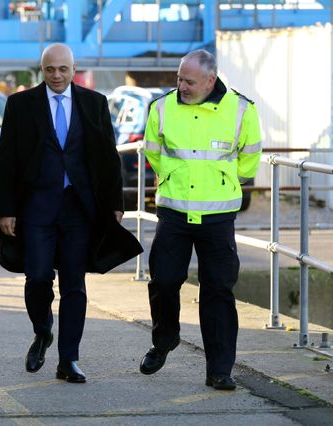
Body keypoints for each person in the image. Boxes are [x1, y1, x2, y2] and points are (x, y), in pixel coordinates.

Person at [0, 43, 125, 383]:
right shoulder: (20, 105)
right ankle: (42, 330)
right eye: (50, 70)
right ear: (42, 70)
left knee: (75, 286)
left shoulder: (94, 103)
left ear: (73, 69)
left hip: (79, 209)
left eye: (63, 69)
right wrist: (5, 209)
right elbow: (6, 159)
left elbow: (108, 157)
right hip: (37, 207)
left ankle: (69, 359)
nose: (56, 76)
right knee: (37, 277)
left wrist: (115, 204)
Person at [139, 49, 262, 390]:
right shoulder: (161, 107)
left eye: (189, 81)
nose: (182, 86)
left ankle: (219, 370)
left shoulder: (241, 109)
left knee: (218, 291)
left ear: (211, 80)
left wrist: (221, 182)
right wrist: (172, 176)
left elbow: (249, 160)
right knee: (163, 280)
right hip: (174, 211)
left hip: (218, 215)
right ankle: (165, 339)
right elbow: (153, 150)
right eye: (179, 79)